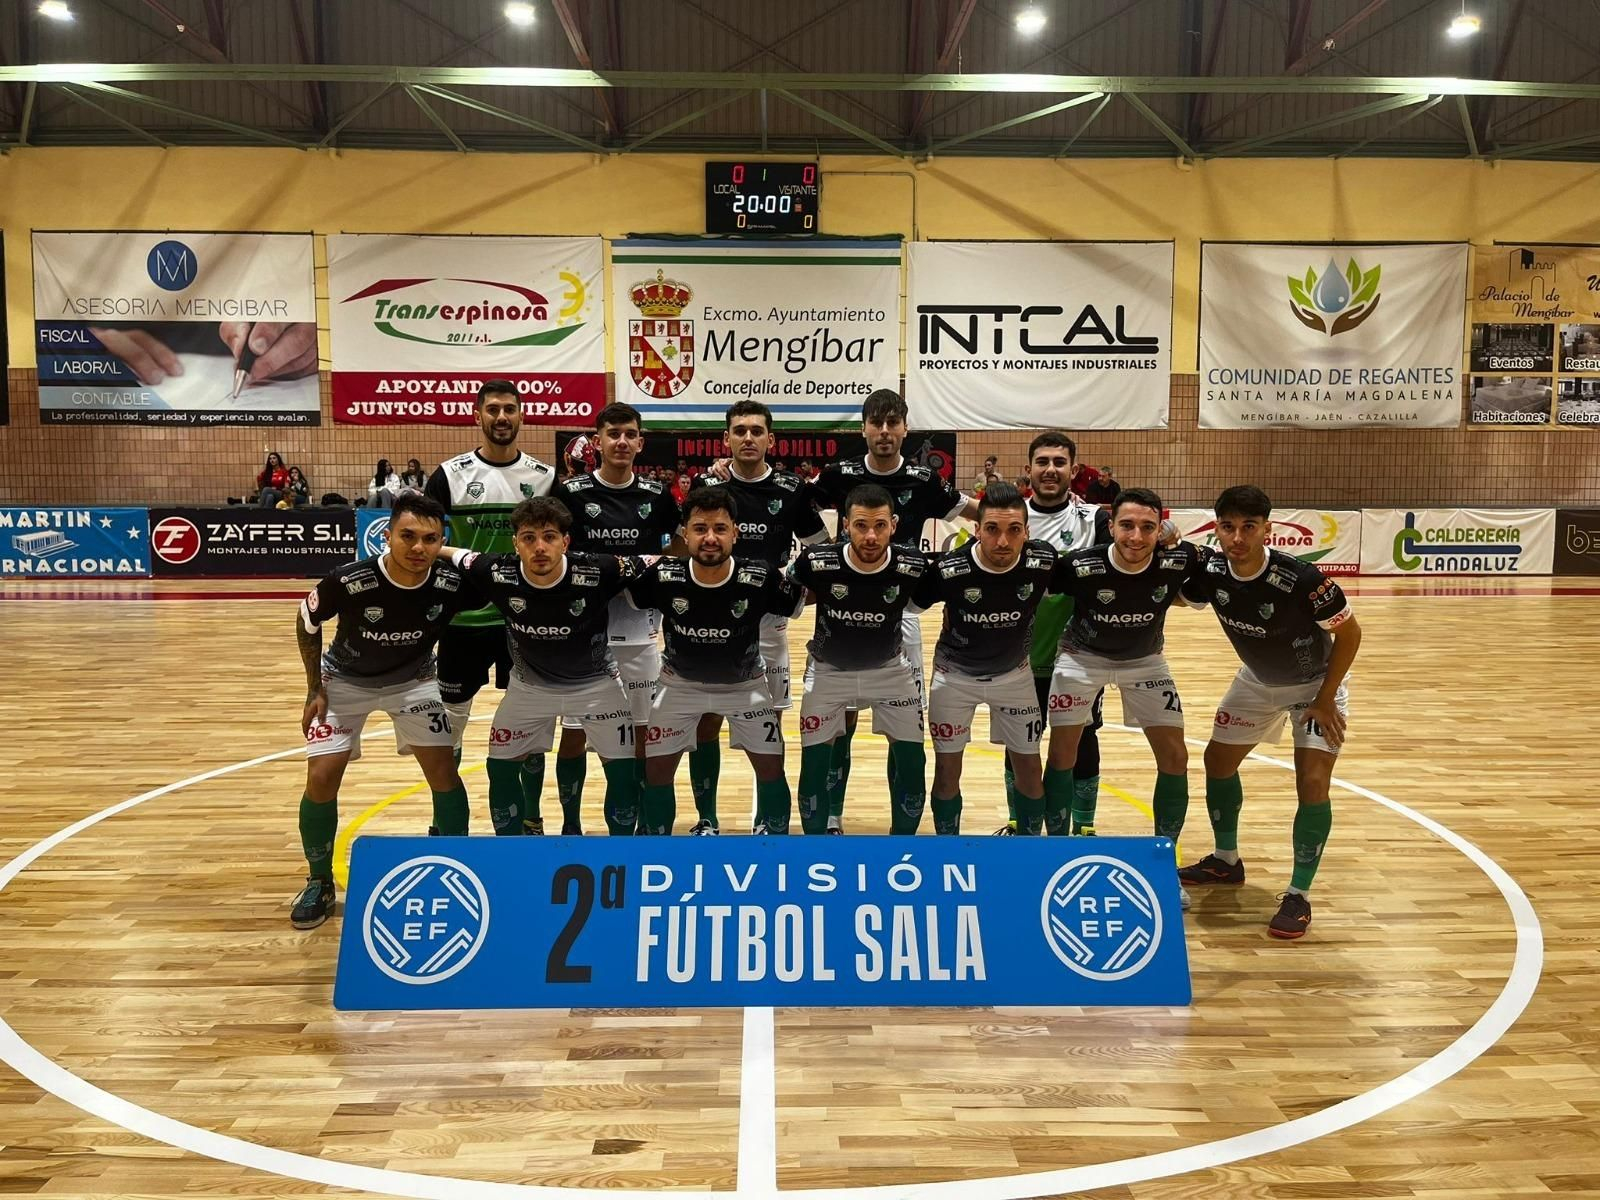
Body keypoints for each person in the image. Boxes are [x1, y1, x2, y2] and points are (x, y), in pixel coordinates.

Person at [1176, 486, 1362, 939]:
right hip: (1256, 682)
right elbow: (1177, 596)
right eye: (1228, 527)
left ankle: (1299, 894)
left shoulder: (1302, 579)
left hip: (1315, 687)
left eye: (1249, 527)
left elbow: (1351, 634)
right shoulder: (1211, 571)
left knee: (1313, 782)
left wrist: (1326, 698)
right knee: (1217, 762)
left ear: (1267, 529)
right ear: (1216, 528)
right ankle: (1226, 861)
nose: (1238, 538)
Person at [288, 492, 475, 930]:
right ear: (387, 536)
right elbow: (306, 620)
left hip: (414, 682)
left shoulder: (450, 583)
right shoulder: (350, 579)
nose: (418, 548)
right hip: (345, 681)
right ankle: (318, 880)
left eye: (430, 539)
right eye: (407, 536)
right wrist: (314, 688)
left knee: (444, 771)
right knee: (321, 775)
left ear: (442, 542)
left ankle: (457, 863)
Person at [806, 389, 977, 830]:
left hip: (903, 615)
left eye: (892, 422)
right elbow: (792, 506)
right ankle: (832, 818)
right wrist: (821, 548)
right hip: (843, 615)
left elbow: (974, 511)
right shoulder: (839, 474)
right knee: (838, 726)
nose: (884, 431)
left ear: (905, 428)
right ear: (863, 428)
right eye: (876, 423)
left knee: (902, 729)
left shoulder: (924, 479)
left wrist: (1022, 513)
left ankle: (901, 828)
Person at [447, 497, 643, 838]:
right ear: (515, 543)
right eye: (529, 538)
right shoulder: (496, 570)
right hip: (529, 688)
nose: (539, 547)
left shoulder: (599, 568)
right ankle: (513, 851)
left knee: (624, 772)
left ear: (565, 542)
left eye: (549, 537)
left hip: (597, 685)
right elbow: (456, 554)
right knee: (499, 767)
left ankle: (621, 851)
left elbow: (656, 564)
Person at [1045, 488, 1204, 902]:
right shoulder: (1080, 565)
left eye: (1148, 527)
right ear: (1111, 526)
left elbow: (1209, 575)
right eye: (1127, 526)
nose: (1136, 536)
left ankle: (1164, 865)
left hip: (1145, 661)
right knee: (1062, 755)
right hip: (1081, 659)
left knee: (1176, 757)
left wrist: (1175, 535)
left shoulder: (1180, 559)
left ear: (1160, 529)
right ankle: (1054, 856)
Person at [625, 487, 804, 835]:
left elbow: (805, 598)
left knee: (772, 768)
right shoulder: (662, 576)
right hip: (679, 685)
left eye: (720, 529)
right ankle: (661, 845)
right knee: (656, 771)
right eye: (700, 529)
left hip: (746, 686)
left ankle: (776, 845)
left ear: (735, 532)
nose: (710, 538)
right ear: (685, 533)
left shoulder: (761, 575)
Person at [688, 400, 829, 833]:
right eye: (739, 430)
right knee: (706, 722)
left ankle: (768, 820)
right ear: (725, 438)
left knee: (768, 725)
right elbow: (684, 543)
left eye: (756, 430)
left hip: (768, 626)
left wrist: (792, 582)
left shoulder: (790, 489)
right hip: (709, 623)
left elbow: (821, 547)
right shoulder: (707, 484)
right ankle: (707, 819)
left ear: (771, 439)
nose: (748, 437)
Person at [424, 380, 556, 834]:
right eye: (493, 409)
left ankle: (530, 817)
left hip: (524, 621)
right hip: (463, 622)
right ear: (477, 415)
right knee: (450, 723)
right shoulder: (449, 475)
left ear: (522, 415)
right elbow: (426, 539)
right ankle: (447, 821)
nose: (502, 417)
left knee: (531, 724)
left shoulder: (543, 478)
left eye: (510, 409)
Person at [548, 402, 681, 835]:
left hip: (640, 632)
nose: (621, 441)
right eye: (613, 434)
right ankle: (570, 824)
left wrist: (656, 569)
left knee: (643, 733)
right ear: (598, 441)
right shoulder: (572, 493)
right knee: (574, 733)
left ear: (640, 442)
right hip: (583, 633)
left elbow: (681, 542)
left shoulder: (657, 495)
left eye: (629, 434)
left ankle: (639, 827)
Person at [912, 482, 1056, 834]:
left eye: (1014, 530)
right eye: (992, 529)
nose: (1003, 541)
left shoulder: (1043, 561)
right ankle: (950, 849)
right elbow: (909, 605)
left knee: (1029, 767)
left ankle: (1028, 846)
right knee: (947, 770)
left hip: (1015, 677)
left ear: (1027, 532)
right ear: (976, 530)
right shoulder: (949, 570)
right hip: (954, 678)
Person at [792, 484, 931, 835]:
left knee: (913, 765)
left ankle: (902, 848)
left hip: (890, 671)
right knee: (813, 767)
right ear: (845, 525)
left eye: (880, 526)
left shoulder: (912, 565)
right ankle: (814, 848)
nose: (871, 536)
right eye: (861, 525)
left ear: (894, 525)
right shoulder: (816, 562)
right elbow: (779, 595)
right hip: (828, 673)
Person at [997, 432, 1111, 838]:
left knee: (1082, 740)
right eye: (1042, 462)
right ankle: (1019, 823)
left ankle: (1083, 827)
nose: (1050, 470)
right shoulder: (1009, 518)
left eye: (1059, 462)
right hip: (1018, 659)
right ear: (1027, 469)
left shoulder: (1094, 520)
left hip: (1077, 659)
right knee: (1019, 744)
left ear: (1073, 470)